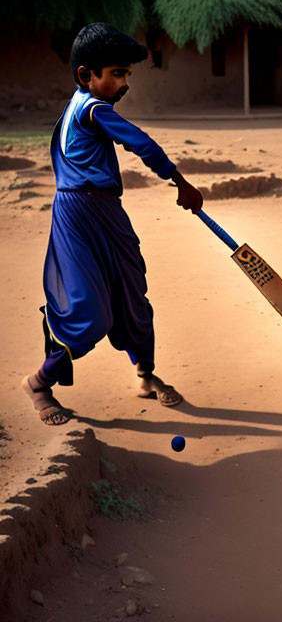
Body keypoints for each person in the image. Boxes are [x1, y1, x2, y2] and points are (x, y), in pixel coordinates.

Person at [21, 23, 203, 426]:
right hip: (78, 217)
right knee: (90, 314)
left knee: (132, 296)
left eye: (127, 75)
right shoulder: (91, 107)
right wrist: (180, 182)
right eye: (117, 74)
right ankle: (38, 383)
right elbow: (141, 143)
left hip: (106, 213)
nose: (124, 83)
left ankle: (145, 375)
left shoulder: (78, 105)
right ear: (87, 75)